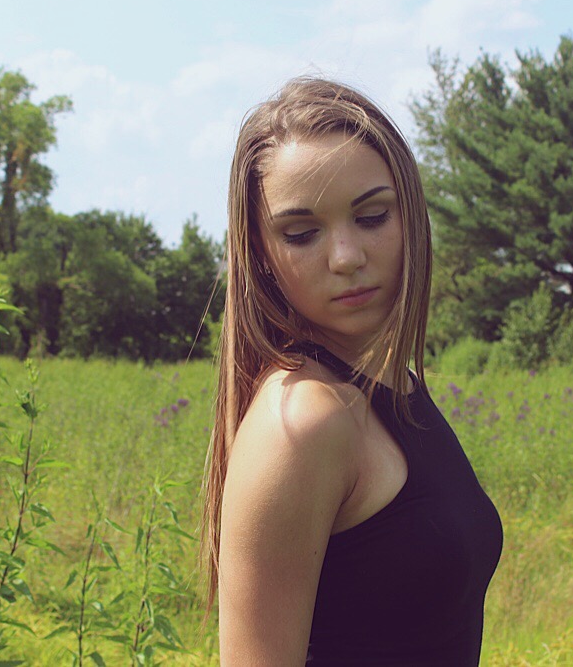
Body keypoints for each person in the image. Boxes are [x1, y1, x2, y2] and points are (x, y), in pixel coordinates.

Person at [202, 77, 503, 665]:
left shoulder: (394, 386)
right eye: (302, 233)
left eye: (371, 217)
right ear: (260, 252)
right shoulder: (304, 422)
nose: (346, 258)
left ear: (409, 215)